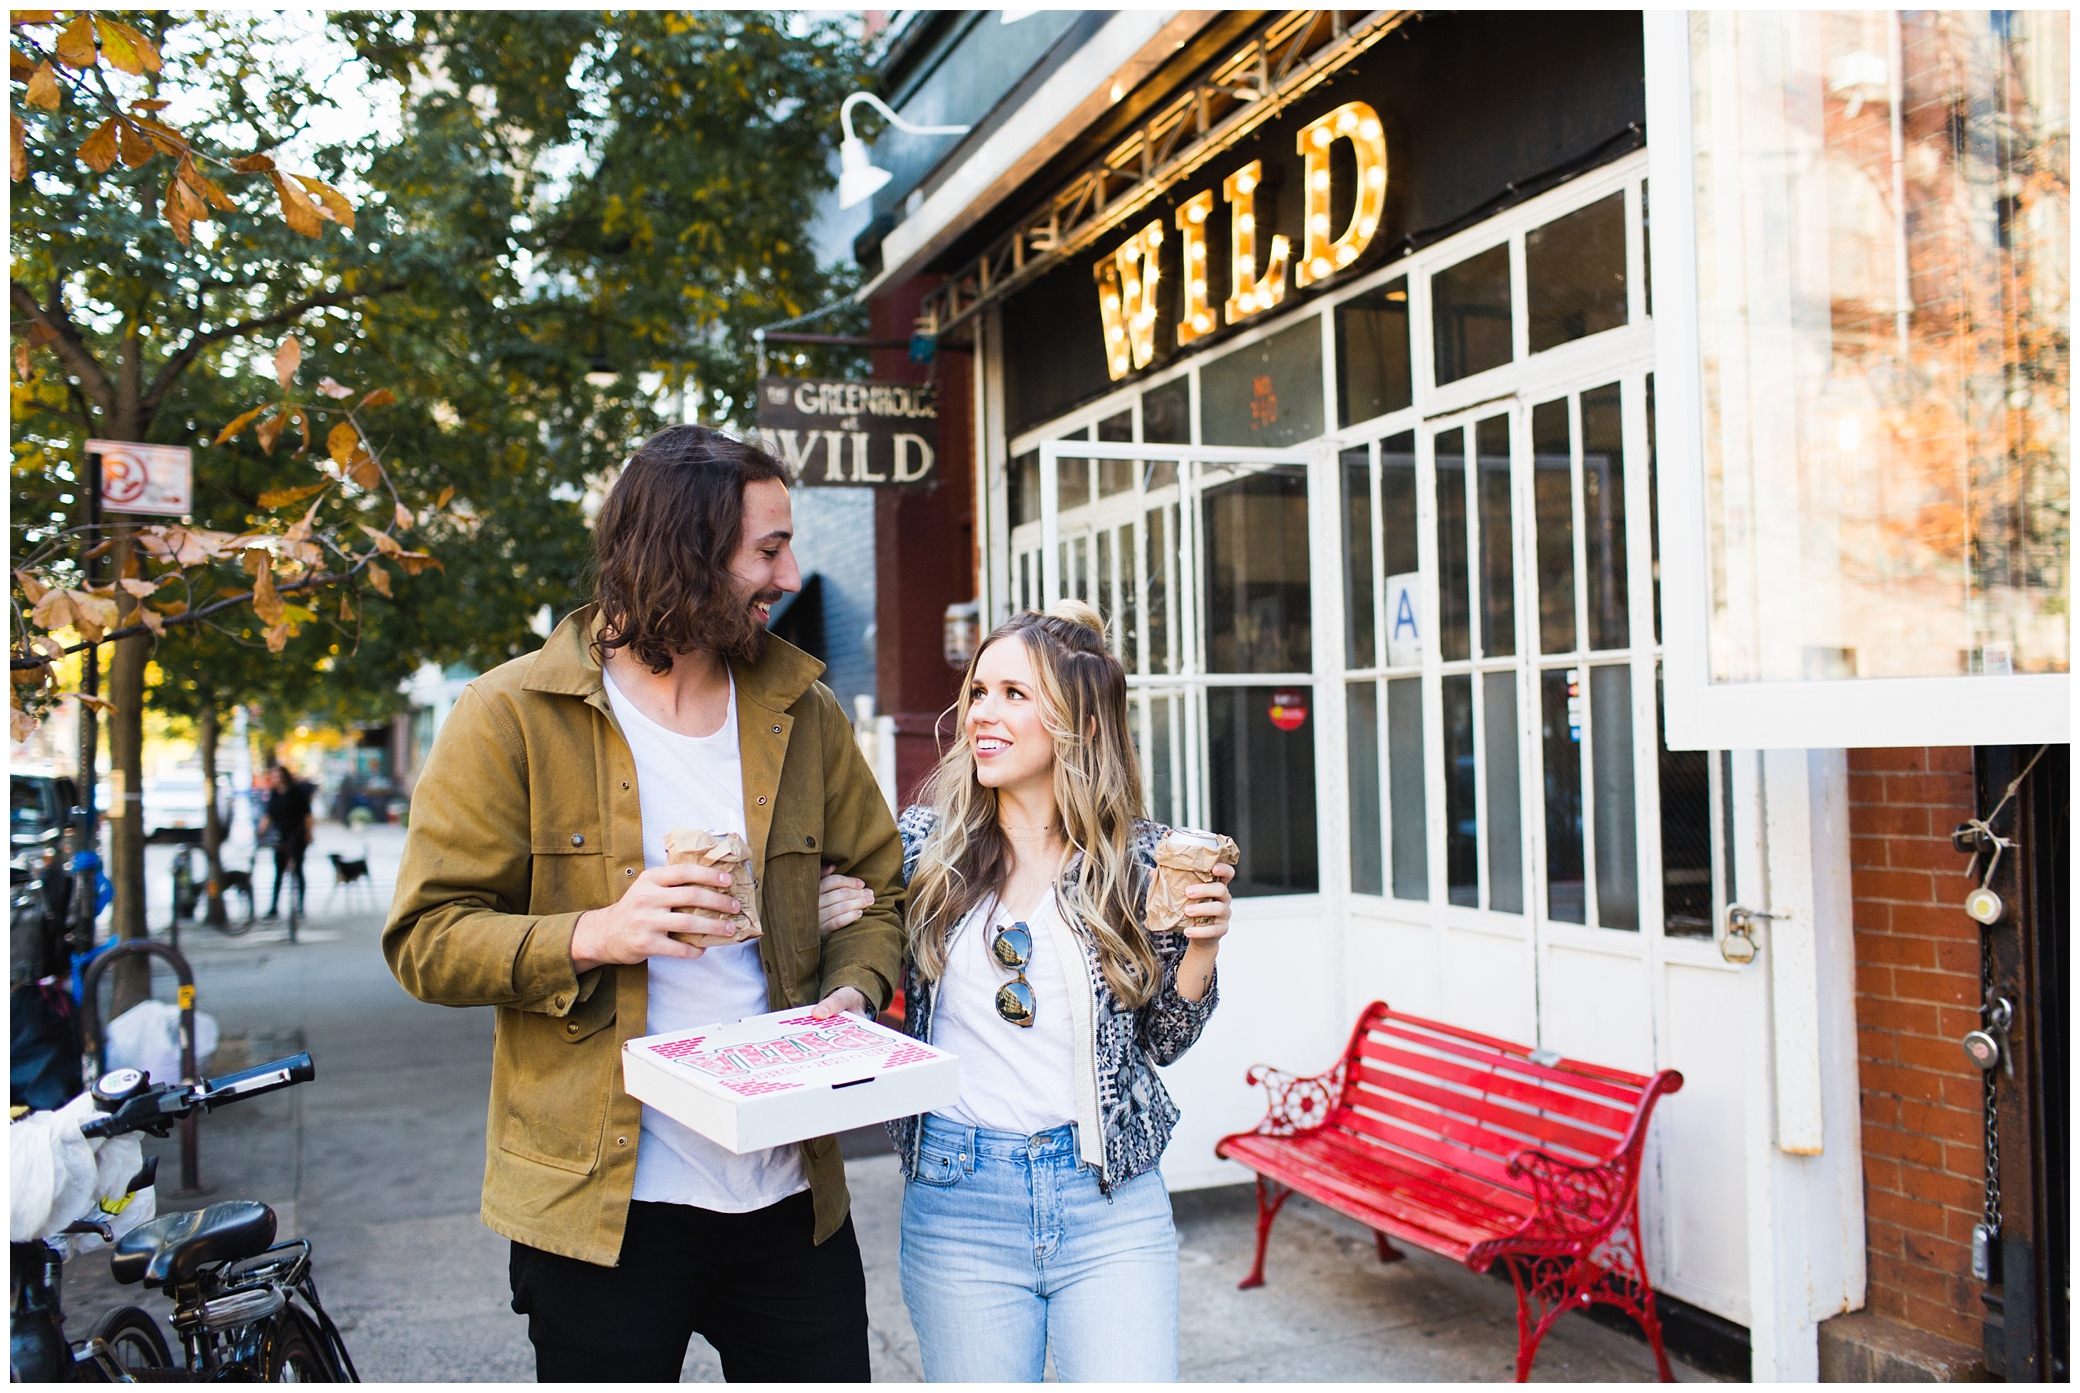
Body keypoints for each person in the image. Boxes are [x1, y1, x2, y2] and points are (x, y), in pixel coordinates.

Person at [383, 425, 903, 1383]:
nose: (789, 575)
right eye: (768, 549)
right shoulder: (506, 717)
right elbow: (425, 938)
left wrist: (852, 999)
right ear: (686, 552)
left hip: (788, 1191)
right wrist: (598, 932)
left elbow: (880, 894)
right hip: (601, 1205)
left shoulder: (805, 710)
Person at [881, 600, 1234, 1383]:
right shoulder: (919, 850)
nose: (982, 713)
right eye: (978, 691)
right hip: (958, 1197)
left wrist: (1201, 947)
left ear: (1084, 723)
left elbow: (1164, 1041)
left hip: (1108, 1199)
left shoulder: (1143, 861)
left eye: (1014, 694)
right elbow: (851, 955)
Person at [257, 765, 312, 920]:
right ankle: (274, 907)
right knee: (278, 872)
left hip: (297, 835)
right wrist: (260, 832)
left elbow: (307, 814)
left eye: (278, 775)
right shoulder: (274, 794)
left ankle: (300, 906)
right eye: (274, 776)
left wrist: (308, 833)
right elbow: (269, 815)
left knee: (298, 870)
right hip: (280, 836)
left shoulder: (296, 793)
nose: (276, 779)